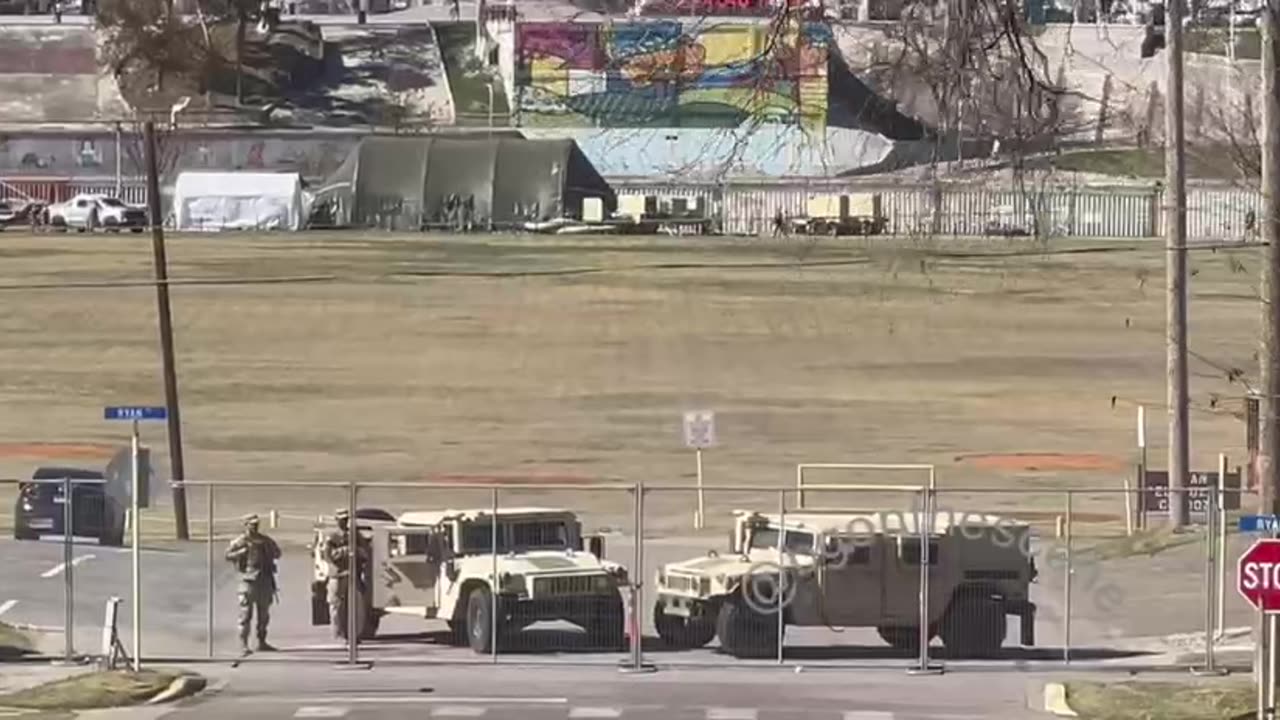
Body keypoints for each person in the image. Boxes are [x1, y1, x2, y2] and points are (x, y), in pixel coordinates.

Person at [225, 514, 282, 656]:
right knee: (245, 614)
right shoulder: (240, 541)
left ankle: (262, 641)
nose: (254, 526)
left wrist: (269, 551)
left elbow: (277, 553)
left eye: (256, 524)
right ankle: (243, 644)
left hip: (264, 580)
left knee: (264, 615)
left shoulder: (265, 540)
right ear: (246, 525)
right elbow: (227, 555)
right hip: (248, 581)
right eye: (251, 524)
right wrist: (240, 553)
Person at [321, 509, 370, 641]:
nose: (345, 522)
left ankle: (354, 634)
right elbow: (327, 555)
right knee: (336, 606)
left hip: (354, 575)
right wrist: (344, 551)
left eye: (346, 519)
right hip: (338, 575)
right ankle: (339, 633)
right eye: (342, 520)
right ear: (337, 520)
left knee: (356, 606)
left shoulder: (355, 536)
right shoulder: (332, 537)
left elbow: (365, 552)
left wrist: (358, 552)